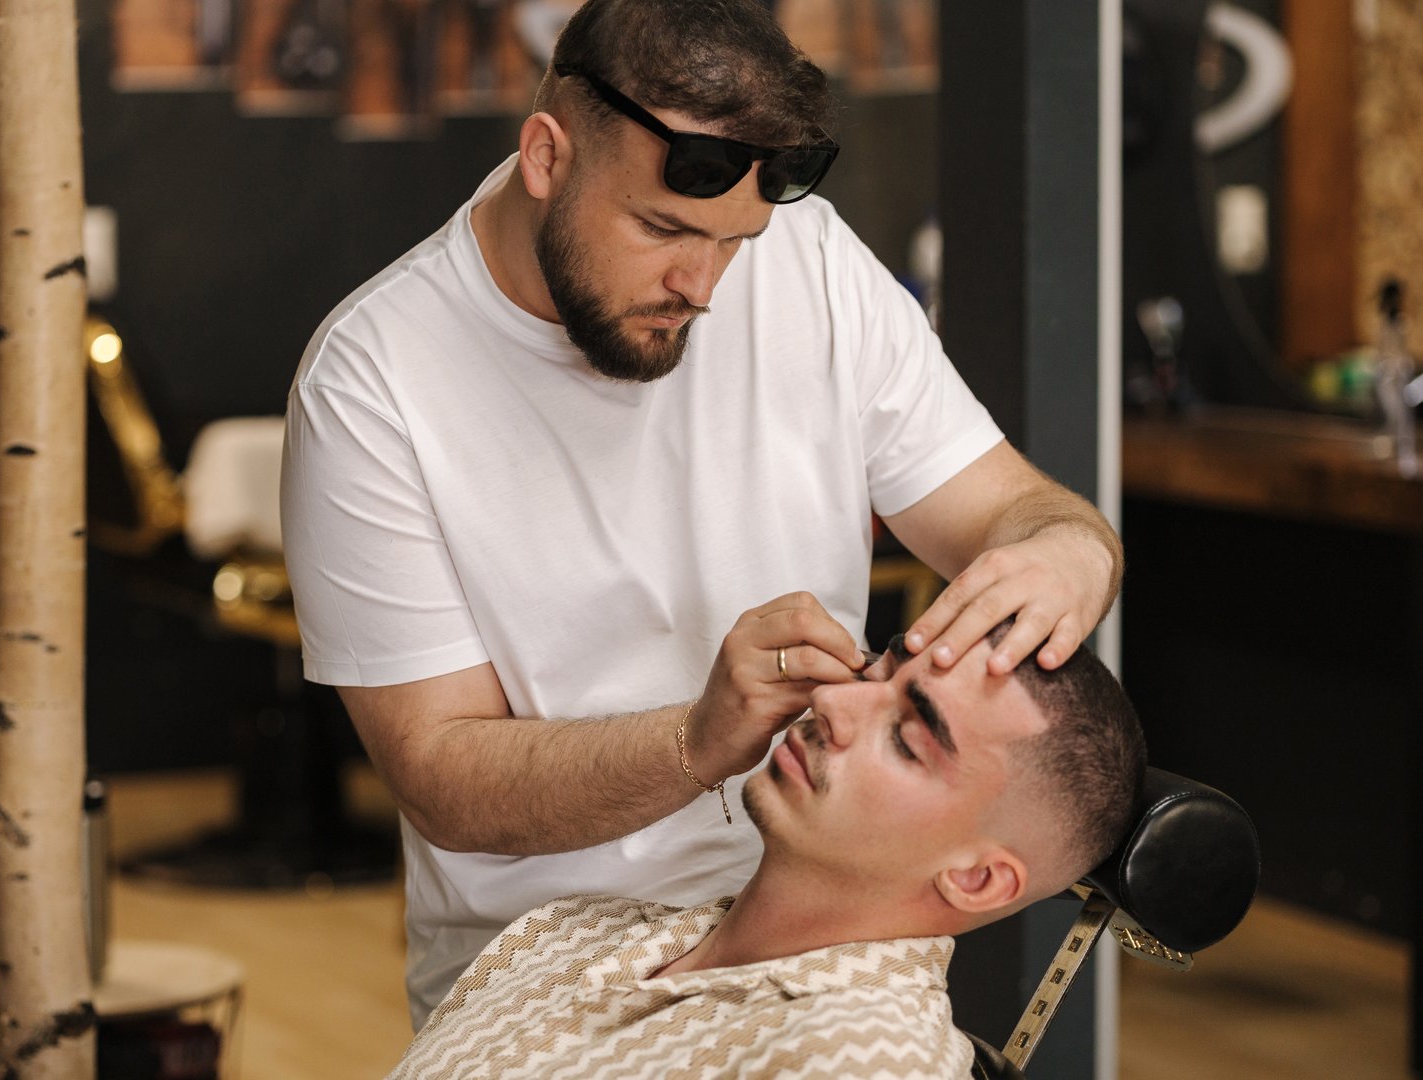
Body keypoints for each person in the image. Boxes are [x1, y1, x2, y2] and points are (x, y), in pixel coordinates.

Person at [280, 0, 1123, 1025]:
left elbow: (1011, 509)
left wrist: (1069, 551)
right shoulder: (375, 382)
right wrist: (698, 739)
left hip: (817, 946)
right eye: (663, 228)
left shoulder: (808, 259)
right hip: (538, 978)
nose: (703, 284)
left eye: (734, 242)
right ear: (547, 154)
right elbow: (441, 776)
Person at [387, 626, 1147, 1078]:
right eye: (874, 676)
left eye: (907, 739)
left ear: (976, 877)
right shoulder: (576, 929)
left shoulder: (864, 1061)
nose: (834, 704)